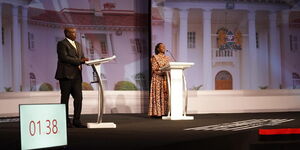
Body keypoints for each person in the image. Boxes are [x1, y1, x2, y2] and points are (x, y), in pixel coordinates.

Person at [55, 27, 89, 128]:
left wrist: (85, 60)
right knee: (65, 99)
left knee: (79, 98)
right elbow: (64, 58)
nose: (75, 34)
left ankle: (77, 121)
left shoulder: (78, 44)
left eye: (75, 32)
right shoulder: (62, 44)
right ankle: (65, 121)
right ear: (67, 33)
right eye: (73, 32)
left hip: (77, 76)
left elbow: (81, 57)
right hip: (66, 75)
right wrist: (80, 61)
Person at [148, 43, 171, 117]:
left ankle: (165, 111)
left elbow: (169, 67)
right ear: (158, 49)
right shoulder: (155, 57)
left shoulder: (167, 58)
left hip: (165, 78)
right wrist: (162, 71)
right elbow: (154, 68)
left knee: (165, 95)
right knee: (158, 95)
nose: (164, 48)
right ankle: (157, 112)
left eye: (164, 47)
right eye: (162, 47)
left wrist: (166, 72)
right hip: (157, 78)